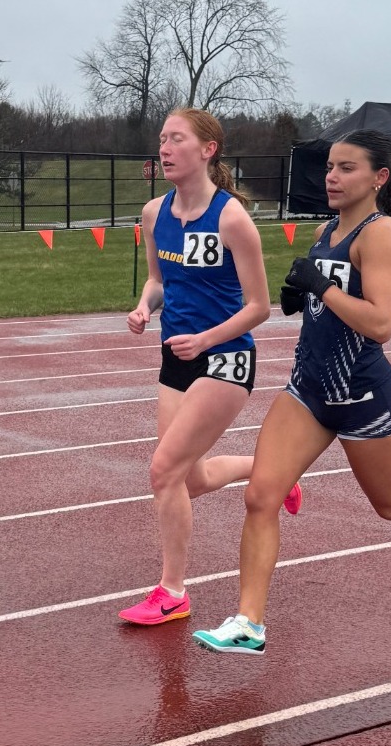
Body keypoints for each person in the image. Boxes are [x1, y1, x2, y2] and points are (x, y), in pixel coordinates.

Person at [191, 130, 391, 655]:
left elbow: (381, 323)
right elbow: (324, 304)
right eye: (330, 167)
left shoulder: (381, 234)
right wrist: (299, 298)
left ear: (379, 178)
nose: (332, 176)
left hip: (361, 394)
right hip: (308, 390)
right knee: (260, 495)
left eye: (346, 168)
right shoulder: (330, 228)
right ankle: (248, 622)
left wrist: (322, 287)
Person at [120, 108, 301, 626]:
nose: (165, 147)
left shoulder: (231, 219)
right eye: (162, 139)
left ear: (207, 149)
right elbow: (159, 281)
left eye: (177, 139)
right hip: (176, 356)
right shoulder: (154, 213)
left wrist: (206, 339)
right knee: (188, 479)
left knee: (162, 471)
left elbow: (259, 307)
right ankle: (276, 472)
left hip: (225, 357)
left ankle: (172, 592)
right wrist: (142, 307)